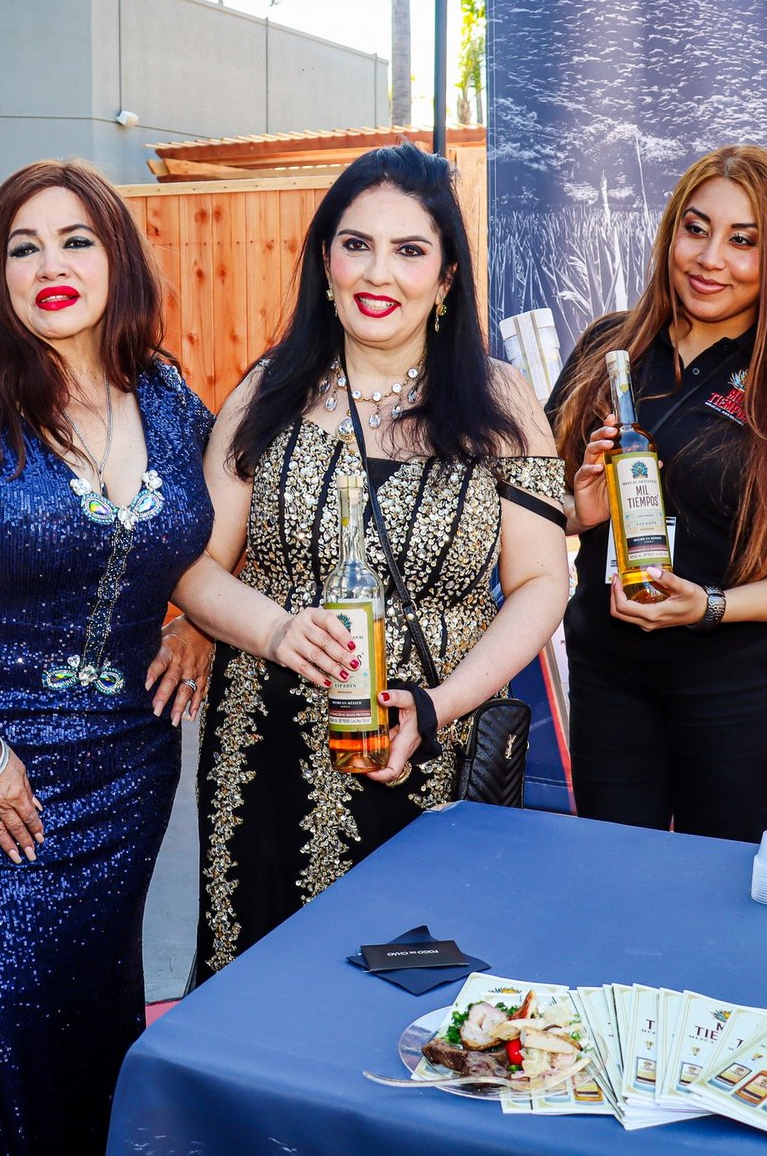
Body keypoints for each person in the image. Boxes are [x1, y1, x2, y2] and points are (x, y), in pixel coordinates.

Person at [0, 159, 213, 1155]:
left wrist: (197, 621)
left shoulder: (168, 398)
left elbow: (204, 533)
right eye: (24, 248)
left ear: (118, 260)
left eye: (76, 241)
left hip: (126, 766)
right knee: (1, 1011)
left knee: (94, 1006)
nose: (50, 265)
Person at [169, 143, 569, 979]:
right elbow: (195, 566)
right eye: (356, 245)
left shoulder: (502, 403)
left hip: (432, 748)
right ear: (326, 263)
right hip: (265, 752)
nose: (378, 273)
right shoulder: (267, 391)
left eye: (409, 250)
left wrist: (437, 707)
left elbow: (541, 582)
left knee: (414, 995)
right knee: (262, 983)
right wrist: (276, 631)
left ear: (447, 277)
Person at [549, 144, 767, 844]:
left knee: (718, 886)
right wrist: (578, 512)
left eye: (743, 241)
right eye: (696, 229)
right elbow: (537, 509)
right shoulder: (608, 350)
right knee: (613, 872)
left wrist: (710, 607)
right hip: (609, 672)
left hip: (738, 685)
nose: (710, 259)